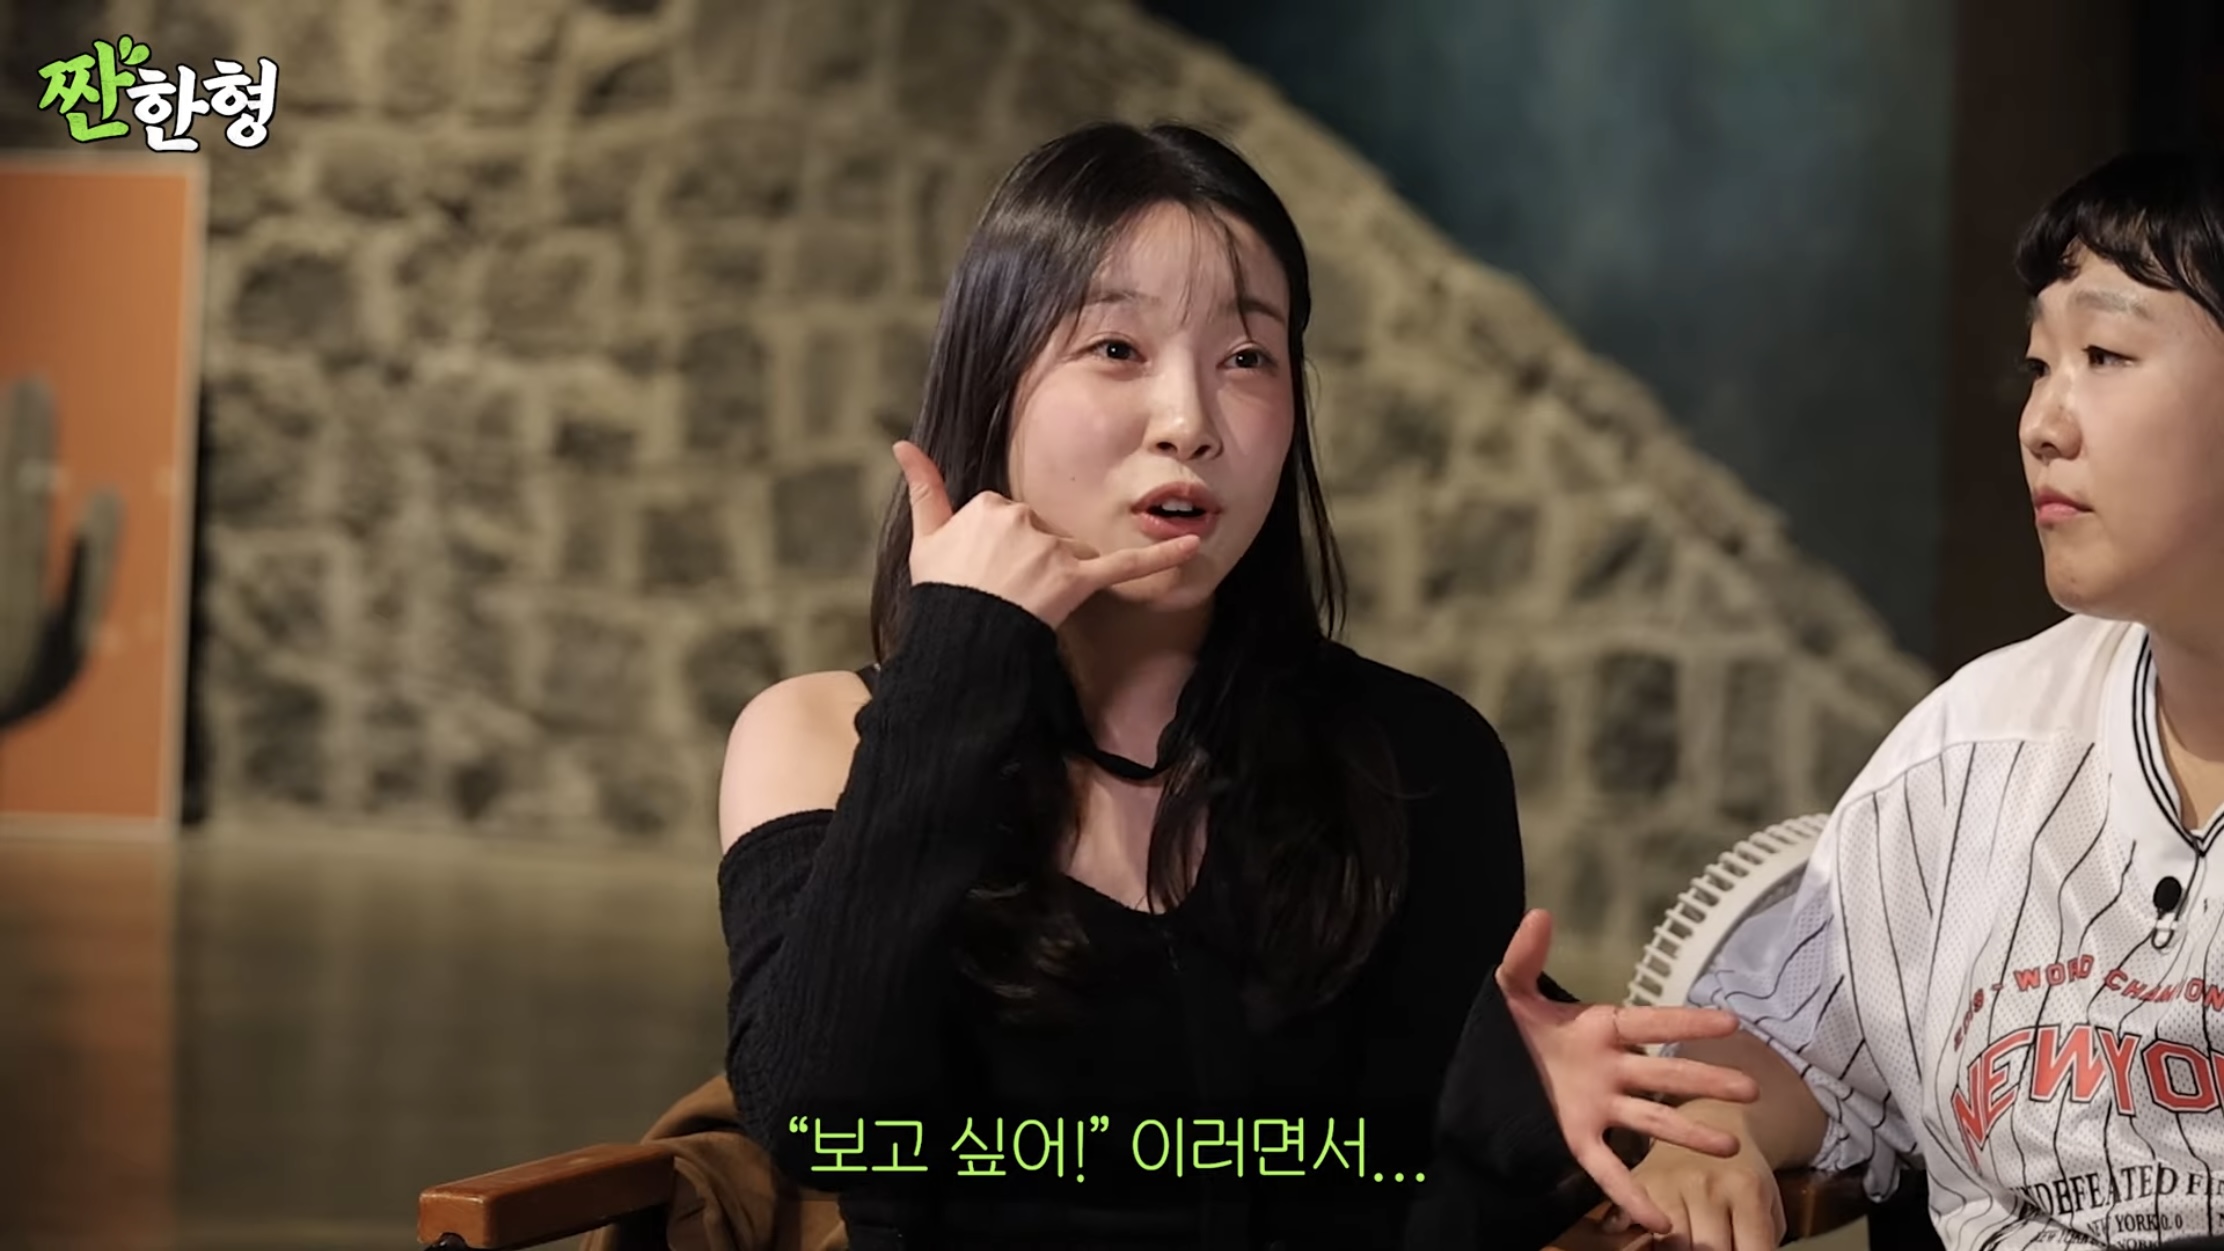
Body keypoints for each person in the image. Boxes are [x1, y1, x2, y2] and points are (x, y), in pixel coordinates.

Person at [714, 119, 1756, 1250]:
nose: (1190, 423)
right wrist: (962, 652)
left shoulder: (1415, 759)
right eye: (1117, 348)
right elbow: (815, 1120)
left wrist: (1495, 1128)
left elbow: (1400, 1213)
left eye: (1247, 358)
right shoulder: (817, 736)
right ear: (993, 381)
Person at [1564, 149, 2224, 1251]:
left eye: (2105, 355)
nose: (2042, 423)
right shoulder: (1970, 755)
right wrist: (1706, 1144)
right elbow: (1794, 1035)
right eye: (2039, 365)